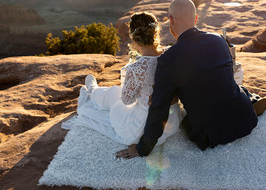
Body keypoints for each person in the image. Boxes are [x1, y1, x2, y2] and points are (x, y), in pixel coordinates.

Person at [117, 0, 266, 159]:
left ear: (171, 20)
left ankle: (256, 102)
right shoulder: (219, 40)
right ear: (195, 19)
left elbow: (159, 110)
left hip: (210, 134)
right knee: (235, 88)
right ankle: (259, 102)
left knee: (189, 120)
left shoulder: (169, 58)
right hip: (246, 120)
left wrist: (142, 149)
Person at [63, 12, 183, 146]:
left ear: (134, 37)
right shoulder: (171, 53)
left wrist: (137, 88)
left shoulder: (136, 68)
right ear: (156, 32)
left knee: (115, 93)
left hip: (142, 128)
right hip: (171, 122)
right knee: (115, 92)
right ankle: (94, 91)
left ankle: (93, 91)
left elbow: (127, 101)